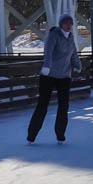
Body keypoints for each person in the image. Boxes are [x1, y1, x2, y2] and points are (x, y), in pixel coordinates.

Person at [27, 14, 82, 144]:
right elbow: (48, 52)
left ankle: (60, 135)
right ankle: (32, 135)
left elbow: (73, 53)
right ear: (61, 24)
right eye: (66, 23)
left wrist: (78, 65)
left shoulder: (70, 37)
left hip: (64, 76)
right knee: (42, 105)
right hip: (49, 76)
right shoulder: (54, 35)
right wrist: (46, 66)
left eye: (70, 23)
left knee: (63, 106)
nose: (69, 25)